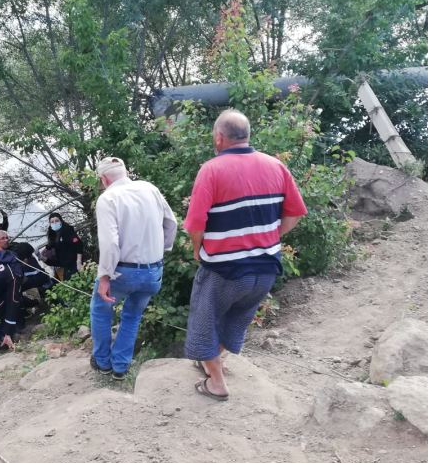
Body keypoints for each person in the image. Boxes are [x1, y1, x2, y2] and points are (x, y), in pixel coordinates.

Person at [183, 109, 307, 401]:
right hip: (265, 268)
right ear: (247, 135)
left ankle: (216, 382)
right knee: (237, 319)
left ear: (219, 138)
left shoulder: (211, 170)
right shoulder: (276, 166)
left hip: (224, 269)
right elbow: (296, 213)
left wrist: (197, 249)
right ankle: (216, 361)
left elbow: (195, 224)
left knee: (205, 320)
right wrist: (270, 238)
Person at [90, 157, 177, 380]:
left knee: (101, 309)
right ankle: (120, 367)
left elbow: (110, 243)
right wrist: (161, 249)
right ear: (125, 172)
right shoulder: (150, 188)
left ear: (103, 178)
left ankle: (102, 363)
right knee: (133, 316)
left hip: (123, 272)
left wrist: (105, 277)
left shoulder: (107, 198)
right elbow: (171, 223)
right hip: (153, 271)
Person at [44, 212, 83, 281]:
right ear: (50, 224)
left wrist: (78, 262)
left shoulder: (67, 230)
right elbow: (51, 247)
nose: (55, 223)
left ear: (61, 221)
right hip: (65, 265)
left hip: (74, 262)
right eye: (52, 222)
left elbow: (79, 245)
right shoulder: (52, 235)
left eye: (56, 221)